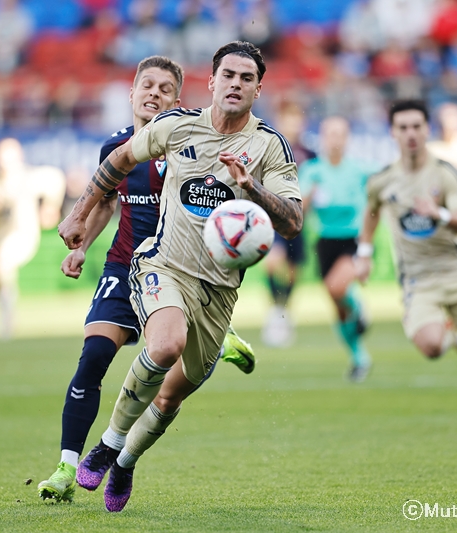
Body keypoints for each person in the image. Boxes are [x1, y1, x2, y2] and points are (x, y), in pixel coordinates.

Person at [57, 41, 303, 512]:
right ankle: (107, 445)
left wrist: (251, 187)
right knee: (163, 344)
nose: (235, 83)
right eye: (227, 75)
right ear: (211, 82)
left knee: (170, 399)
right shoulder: (176, 126)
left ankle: (125, 461)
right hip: (161, 265)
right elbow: (117, 162)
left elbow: (292, 221)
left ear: (257, 89)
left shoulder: (269, 146)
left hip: (218, 292)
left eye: (246, 78)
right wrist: (78, 214)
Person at [354, 99, 457, 432]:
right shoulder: (382, 180)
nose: (410, 134)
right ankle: (453, 337)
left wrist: (440, 214)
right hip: (418, 278)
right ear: (393, 132)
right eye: (403, 127)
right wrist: (363, 252)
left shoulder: (444, 172)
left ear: (427, 130)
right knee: (432, 347)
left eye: (416, 126)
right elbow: (371, 212)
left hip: (455, 268)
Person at [0, 138, 65, 340]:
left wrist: (50, 206)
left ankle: (7, 319)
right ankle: (6, 316)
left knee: (0, 261)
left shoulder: (29, 177)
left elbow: (56, 179)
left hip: (23, 234)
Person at [300, 116, 375, 382]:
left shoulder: (359, 171)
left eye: (340, 134)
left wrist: (368, 247)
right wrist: (308, 196)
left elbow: (373, 208)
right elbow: (301, 211)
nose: (335, 140)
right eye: (330, 134)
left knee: (337, 288)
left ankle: (359, 307)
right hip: (324, 242)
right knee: (338, 308)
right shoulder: (312, 171)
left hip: (352, 240)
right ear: (322, 137)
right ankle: (359, 357)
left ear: (347, 139)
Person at [261, 101, 315, 347]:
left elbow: (316, 184)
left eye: (296, 119)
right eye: (287, 118)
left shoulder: (309, 154)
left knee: (294, 271)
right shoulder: (271, 148)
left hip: (299, 221)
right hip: (274, 219)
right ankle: (275, 311)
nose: (292, 124)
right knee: (273, 262)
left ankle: (285, 312)